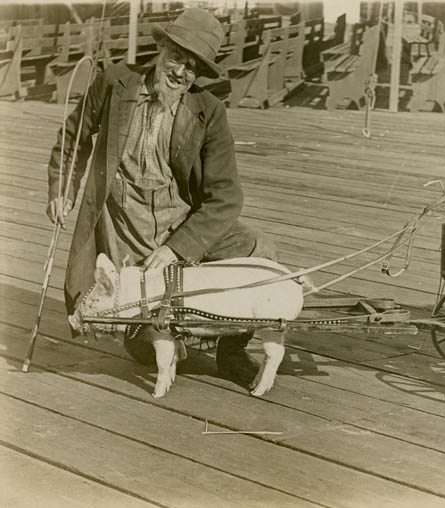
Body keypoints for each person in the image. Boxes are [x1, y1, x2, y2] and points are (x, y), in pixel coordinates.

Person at [45, 8, 277, 384]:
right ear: (161, 47)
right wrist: (62, 189)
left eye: (193, 67)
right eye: (177, 57)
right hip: (126, 233)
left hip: (180, 227)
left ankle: (232, 348)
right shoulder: (115, 82)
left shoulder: (209, 112)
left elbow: (226, 197)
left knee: (258, 247)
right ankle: (163, 329)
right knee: (147, 350)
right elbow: (74, 136)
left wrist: (178, 248)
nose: (181, 72)